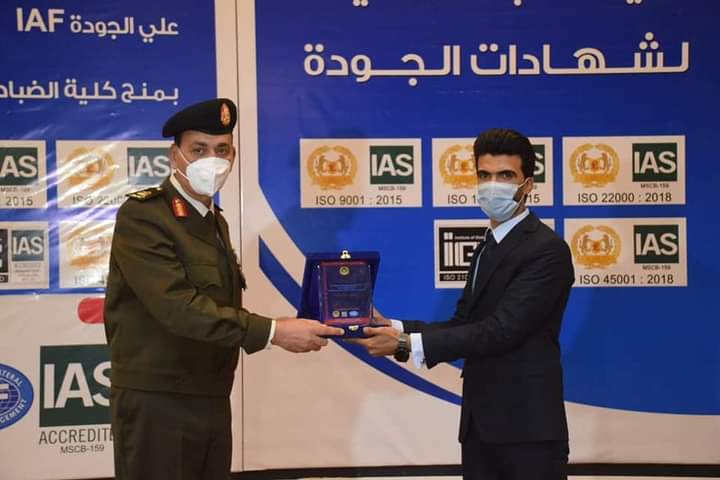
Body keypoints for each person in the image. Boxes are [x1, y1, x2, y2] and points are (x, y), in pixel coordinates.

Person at [104, 98, 343, 480]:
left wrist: (291, 325)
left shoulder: (213, 220)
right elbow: (179, 308)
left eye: (222, 150)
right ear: (175, 156)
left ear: (233, 156)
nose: (212, 160)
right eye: (199, 150)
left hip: (210, 397)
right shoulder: (145, 216)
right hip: (159, 402)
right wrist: (274, 332)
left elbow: (214, 304)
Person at [353, 128, 574, 480]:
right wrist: (393, 327)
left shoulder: (547, 250)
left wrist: (406, 344)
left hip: (526, 431)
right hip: (480, 426)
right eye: (484, 175)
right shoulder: (488, 245)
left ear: (528, 184)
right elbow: (464, 323)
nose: (493, 185)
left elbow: (502, 330)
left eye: (506, 176)